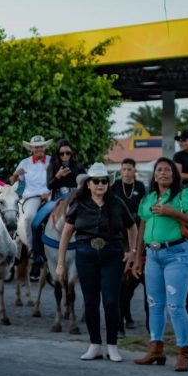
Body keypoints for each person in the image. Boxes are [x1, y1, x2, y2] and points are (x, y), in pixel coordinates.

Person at [57, 163, 137, 362]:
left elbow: (132, 227)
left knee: (111, 301)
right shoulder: (79, 203)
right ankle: (94, 345)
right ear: (89, 184)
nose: (100, 184)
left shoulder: (117, 203)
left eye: (104, 181)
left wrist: (132, 251)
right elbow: (66, 234)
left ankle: (112, 345)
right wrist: (60, 263)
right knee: (90, 301)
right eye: (96, 181)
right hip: (86, 254)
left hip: (112, 254)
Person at [132, 158, 188, 372]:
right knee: (154, 304)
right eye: (159, 169)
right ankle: (156, 349)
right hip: (152, 255)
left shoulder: (184, 195)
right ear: (154, 175)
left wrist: (172, 212)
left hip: (177, 254)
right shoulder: (148, 198)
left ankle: (183, 353)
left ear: (174, 175)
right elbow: (142, 226)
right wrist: (137, 257)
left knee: (175, 305)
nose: (162, 173)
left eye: (167, 170)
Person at [110, 158, 147, 335]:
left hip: (137, 226)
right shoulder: (114, 186)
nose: (126, 172)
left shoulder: (140, 187)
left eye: (129, 169)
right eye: (123, 169)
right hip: (119, 228)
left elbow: (144, 207)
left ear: (134, 170)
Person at [11, 135, 52, 275]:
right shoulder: (25, 163)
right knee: (29, 217)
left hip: (50, 195)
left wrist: (51, 192)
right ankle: (31, 250)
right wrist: (16, 175)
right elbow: (13, 183)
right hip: (32, 196)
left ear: (45, 147)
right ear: (32, 149)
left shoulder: (52, 161)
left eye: (41, 146)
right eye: (36, 147)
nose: (39, 149)